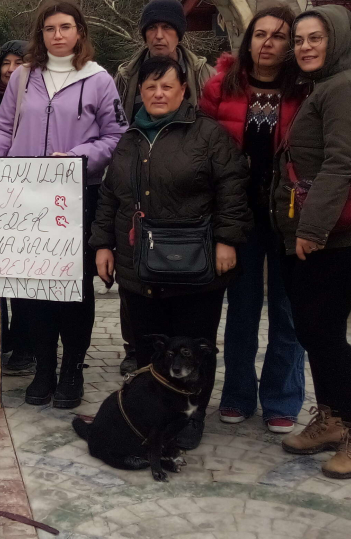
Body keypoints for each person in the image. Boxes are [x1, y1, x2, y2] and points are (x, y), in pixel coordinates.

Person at [92, 56, 251, 448]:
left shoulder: (208, 135)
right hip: (139, 267)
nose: (158, 94)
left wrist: (227, 239)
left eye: (167, 86)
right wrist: (102, 244)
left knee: (196, 346)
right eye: (151, 87)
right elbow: (111, 196)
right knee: (151, 348)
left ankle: (191, 418)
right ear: (141, 92)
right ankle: (154, 414)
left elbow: (232, 188)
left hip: (193, 266)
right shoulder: (129, 139)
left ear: (184, 90)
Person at [0, 0, 127, 408]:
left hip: (75, 196)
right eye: (49, 28)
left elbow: (116, 137)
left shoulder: (99, 79)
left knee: (73, 287)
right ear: (40, 34)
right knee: (32, 290)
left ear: (80, 32)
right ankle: (43, 367)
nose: (57, 35)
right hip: (25, 198)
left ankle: (72, 369)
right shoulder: (23, 78)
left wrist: (79, 157)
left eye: (65, 27)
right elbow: (3, 131)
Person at [275, 3, 351, 477]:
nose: (305, 47)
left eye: (315, 38)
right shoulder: (327, 86)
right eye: (299, 40)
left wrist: (311, 229)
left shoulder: (344, 88)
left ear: (337, 39)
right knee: (314, 331)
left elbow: (341, 164)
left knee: (325, 335)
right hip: (321, 235)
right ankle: (333, 418)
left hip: (336, 238)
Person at [198, 7, 309, 433]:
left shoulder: (306, 90)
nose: (267, 43)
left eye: (278, 36)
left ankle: (282, 397)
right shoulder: (221, 86)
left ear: (290, 45)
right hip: (239, 213)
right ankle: (238, 392)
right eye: (260, 34)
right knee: (242, 307)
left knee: (287, 308)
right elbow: (201, 144)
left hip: (289, 213)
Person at [112, 0, 216, 376]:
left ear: (179, 34)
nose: (159, 35)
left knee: (182, 270)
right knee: (134, 271)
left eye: (167, 28)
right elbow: (116, 122)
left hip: (187, 178)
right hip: (138, 172)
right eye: (152, 28)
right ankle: (134, 346)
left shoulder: (202, 73)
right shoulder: (126, 74)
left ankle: (183, 351)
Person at [0, 39, 30, 374]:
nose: (11, 70)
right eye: (6, 62)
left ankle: (25, 343)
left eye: (19, 62)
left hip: (24, 197)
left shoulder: (37, 100)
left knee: (23, 275)